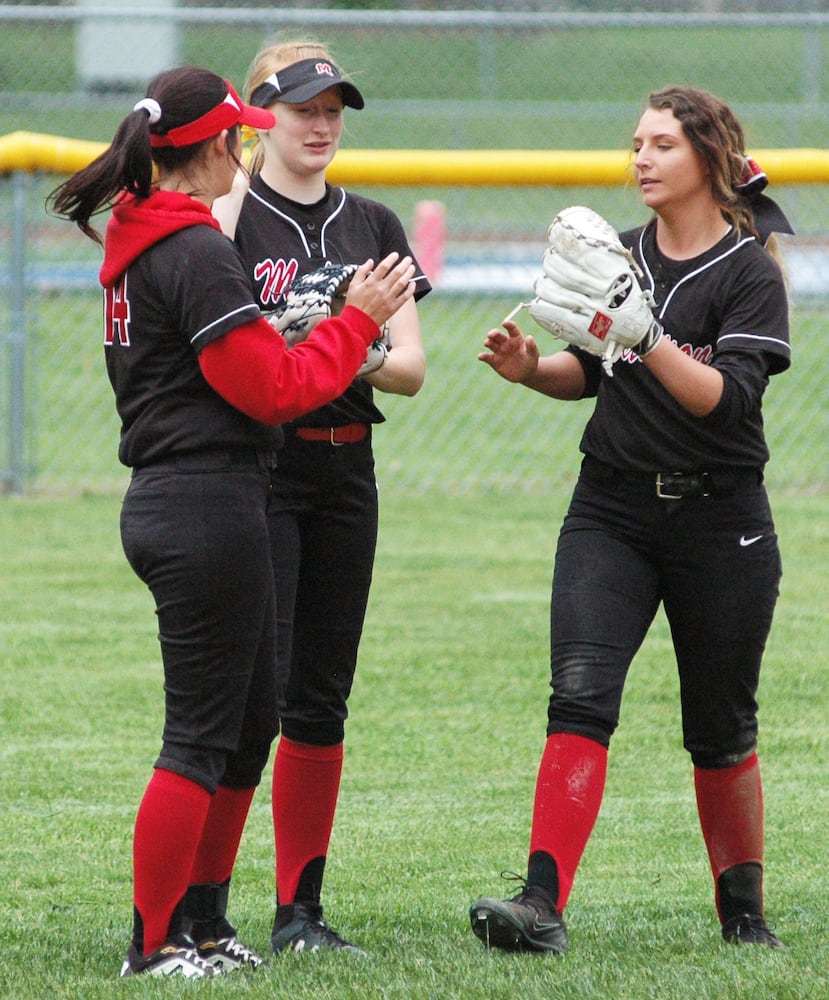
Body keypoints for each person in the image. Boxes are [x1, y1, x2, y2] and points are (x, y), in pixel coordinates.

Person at [47, 66, 415, 979]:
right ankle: (154, 941)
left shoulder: (152, 236)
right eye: (238, 136)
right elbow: (275, 387)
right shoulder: (195, 250)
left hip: (204, 497)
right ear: (211, 146)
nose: (246, 148)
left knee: (251, 723)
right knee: (201, 734)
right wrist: (350, 320)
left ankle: (204, 926)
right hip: (202, 497)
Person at [468, 86, 793, 956]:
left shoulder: (749, 270)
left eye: (660, 145)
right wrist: (532, 369)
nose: (640, 159)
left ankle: (743, 918)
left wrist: (646, 334)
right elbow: (595, 370)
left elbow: (723, 404)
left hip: (719, 518)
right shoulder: (619, 254)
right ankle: (539, 905)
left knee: (719, 726)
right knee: (577, 697)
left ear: (707, 158)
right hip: (609, 507)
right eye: (635, 144)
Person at [210, 38, 430, 956]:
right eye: (303, 107)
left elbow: (411, 369)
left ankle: (300, 912)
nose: (322, 123)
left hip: (346, 471)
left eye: (334, 107)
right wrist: (299, 333)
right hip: (262, 467)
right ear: (262, 117)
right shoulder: (226, 215)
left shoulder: (370, 222)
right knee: (246, 698)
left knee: (320, 699)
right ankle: (201, 906)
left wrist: (355, 341)